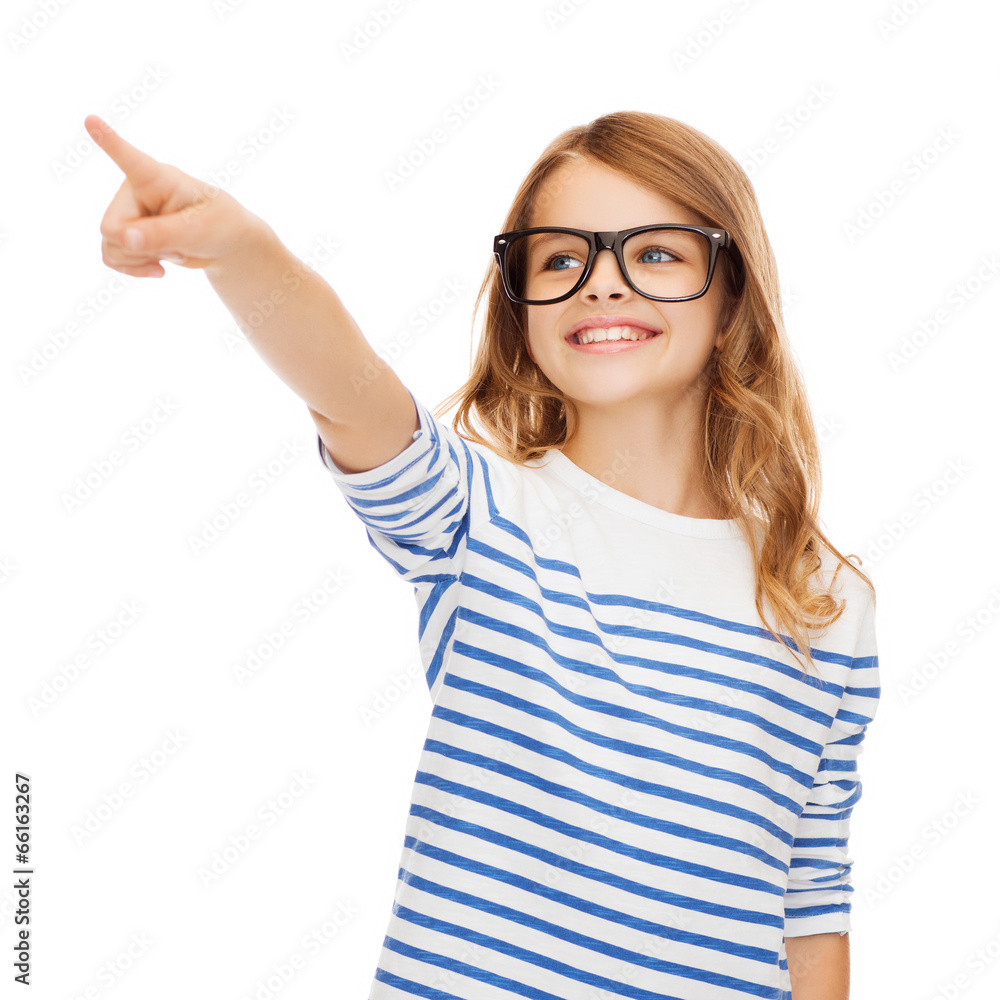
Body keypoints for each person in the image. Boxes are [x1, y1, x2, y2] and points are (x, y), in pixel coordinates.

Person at [86, 108, 880, 1000]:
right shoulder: (476, 514)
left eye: (655, 253)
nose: (602, 284)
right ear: (522, 313)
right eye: (561, 261)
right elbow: (346, 386)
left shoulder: (824, 600)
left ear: (732, 301)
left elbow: (811, 895)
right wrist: (240, 250)